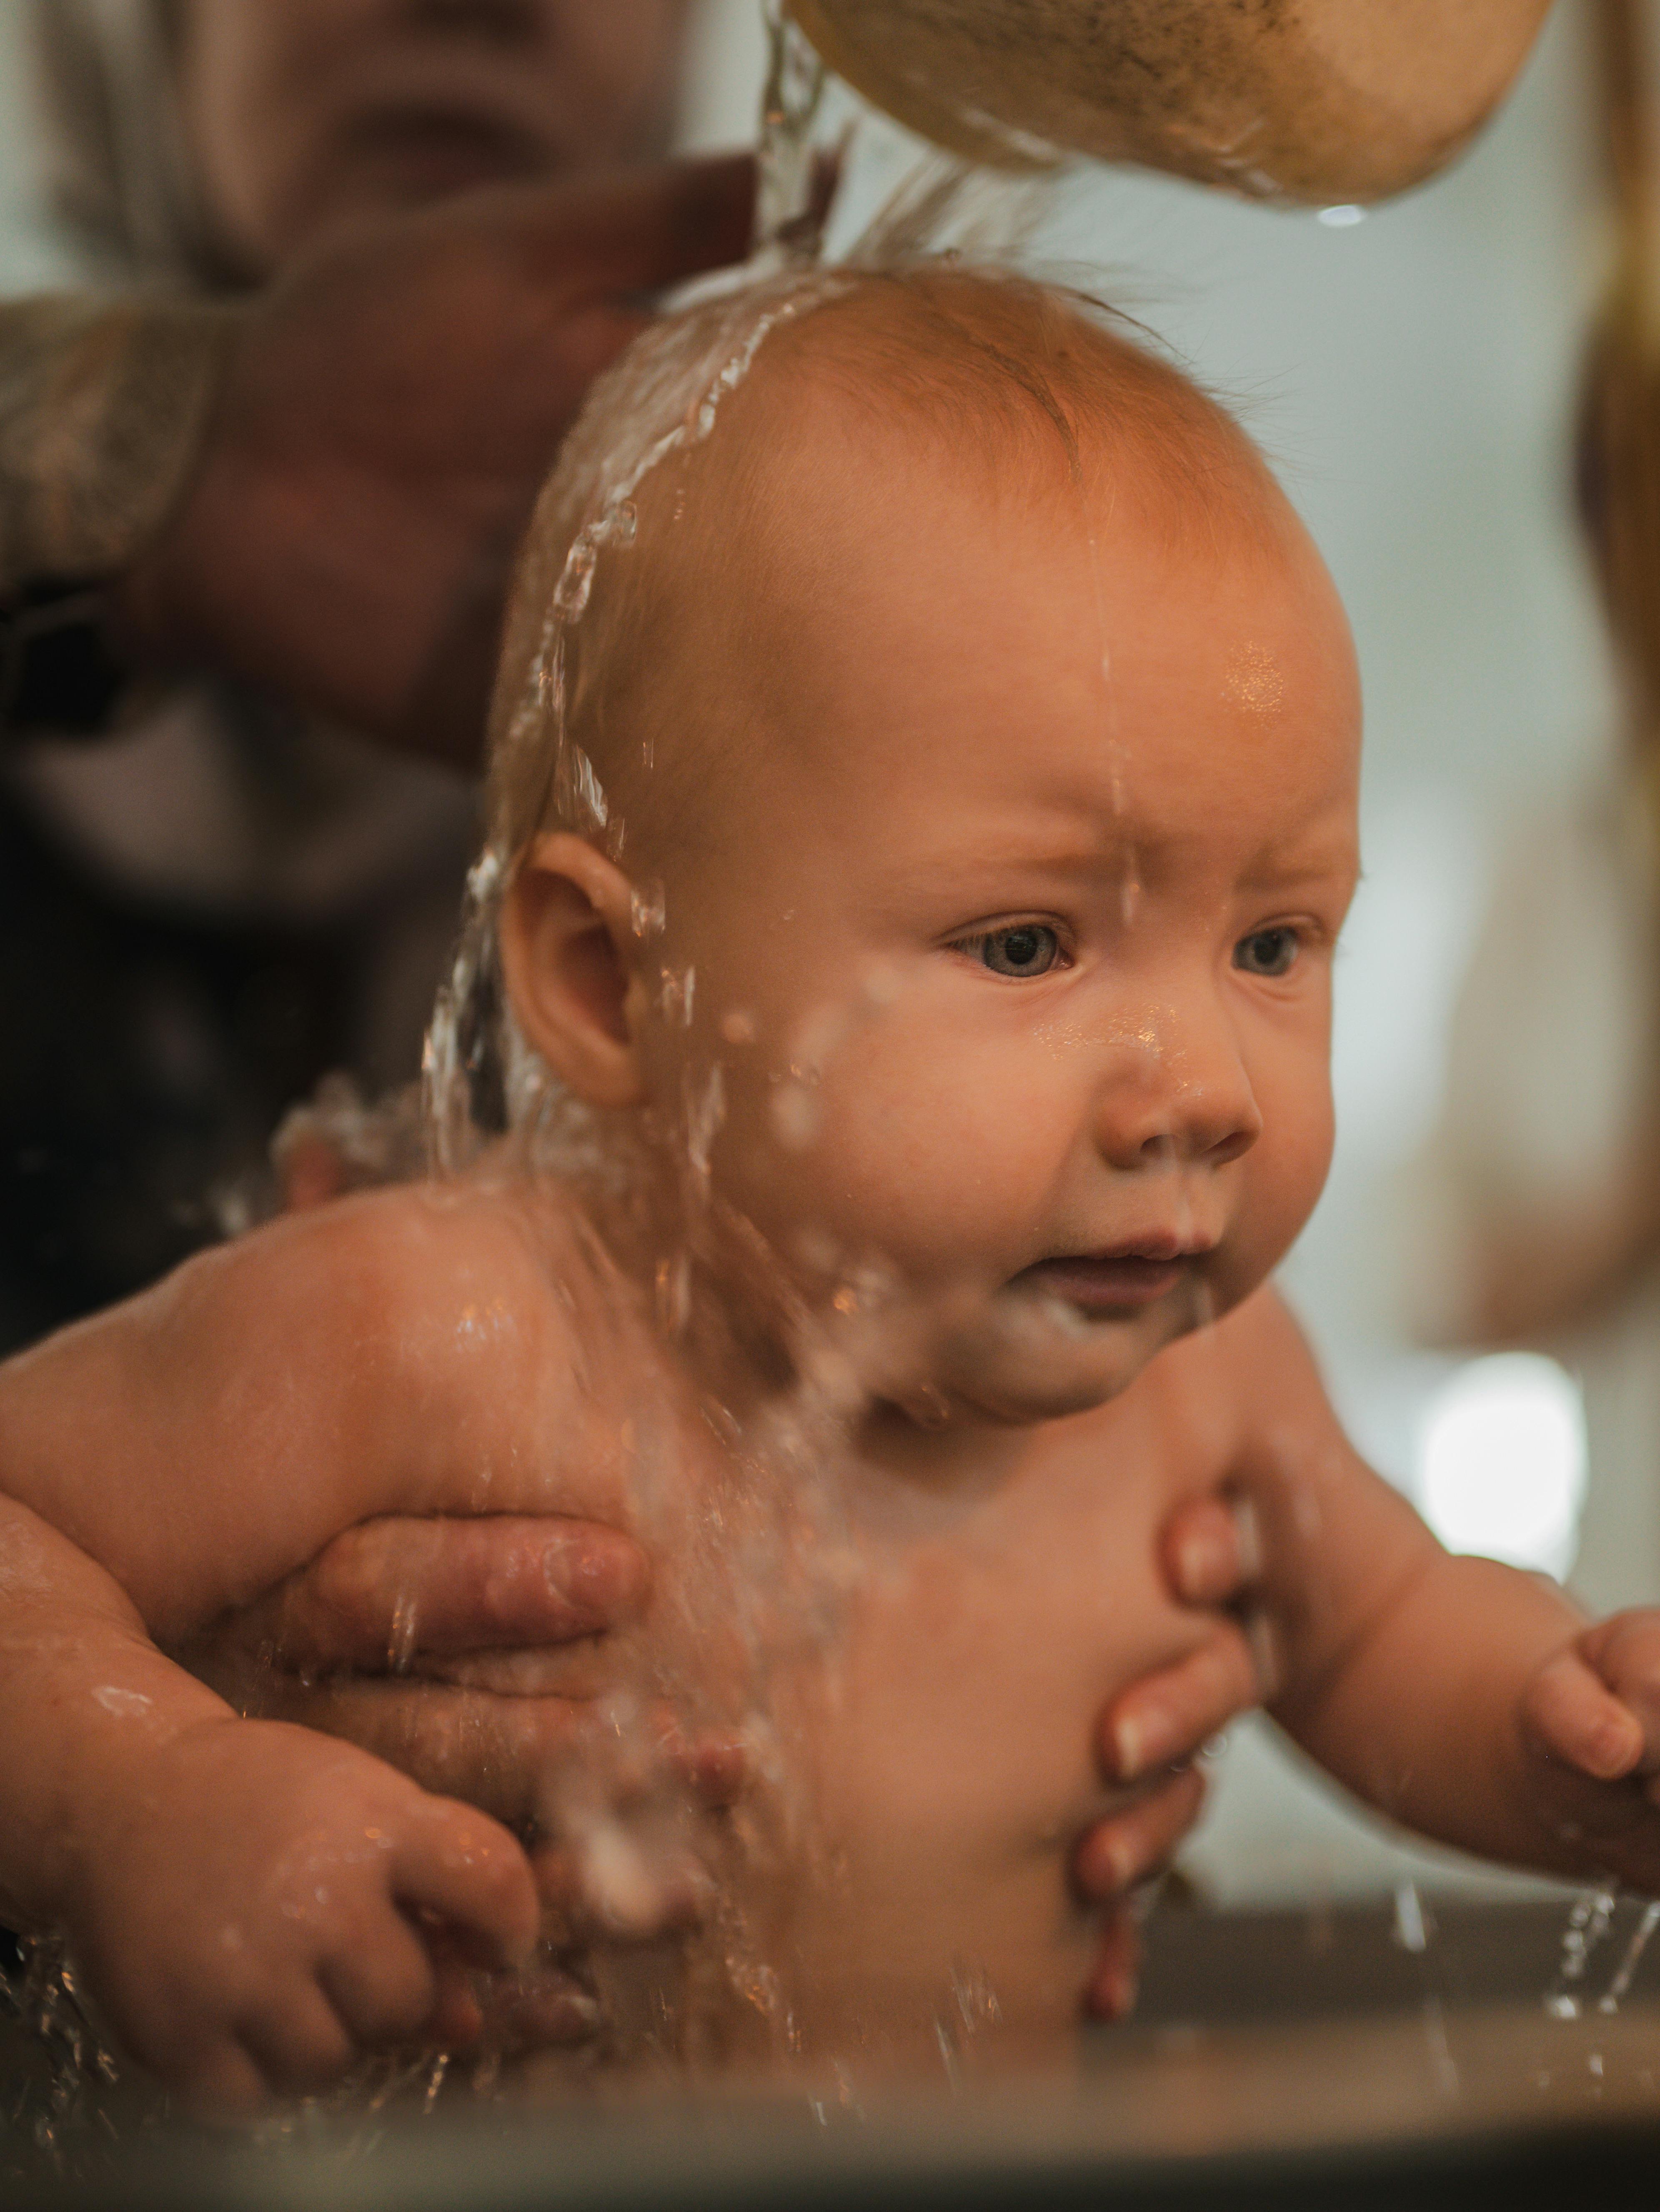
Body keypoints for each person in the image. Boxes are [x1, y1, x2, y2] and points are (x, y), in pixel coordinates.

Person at [5, 262, 1660, 2109]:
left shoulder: (1206, 1393)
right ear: (615, 987)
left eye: (1277, 942)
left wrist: (1573, 1734)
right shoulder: (431, 1330)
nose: (1204, 1089)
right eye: (1030, 943)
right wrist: (131, 1788)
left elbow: (1392, 1631)